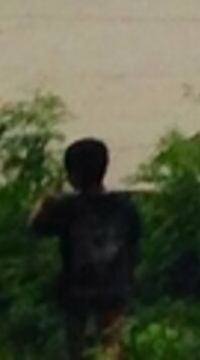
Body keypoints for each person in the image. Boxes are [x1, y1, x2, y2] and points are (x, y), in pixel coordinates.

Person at [28, 136, 141, 359]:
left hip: (76, 290)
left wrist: (45, 200)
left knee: (77, 347)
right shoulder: (124, 205)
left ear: (73, 175)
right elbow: (135, 239)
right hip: (116, 287)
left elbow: (34, 227)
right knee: (113, 344)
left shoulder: (67, 207)